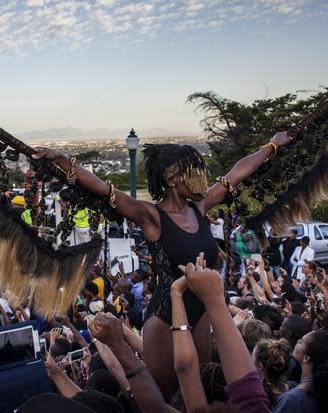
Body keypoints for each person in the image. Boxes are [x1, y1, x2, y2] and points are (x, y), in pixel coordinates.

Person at [33, 130, 293, 399]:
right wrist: (61, 159)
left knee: (200, 389)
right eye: (194, 173)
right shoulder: (151, 216)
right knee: (166, 397)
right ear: (172, 179)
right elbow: (101, 187)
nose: (201, 180)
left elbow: (236, 174)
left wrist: (271, 146)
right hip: (165, 319)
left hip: (201, 312)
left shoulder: (200, 206)